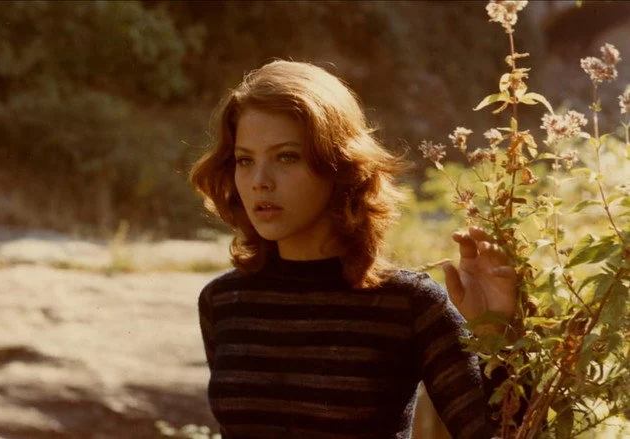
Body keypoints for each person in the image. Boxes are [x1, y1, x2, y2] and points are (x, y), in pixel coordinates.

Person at [189, 60, 518, 439]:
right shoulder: (222, 302)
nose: (259, 181)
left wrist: (494, 337)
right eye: (245, 160)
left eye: (286, 156)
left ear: (338, 164)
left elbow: (494, 434)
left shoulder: (411, 305)